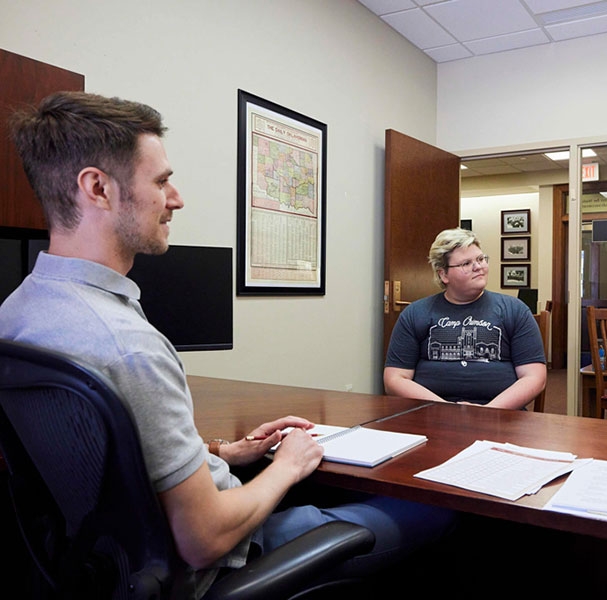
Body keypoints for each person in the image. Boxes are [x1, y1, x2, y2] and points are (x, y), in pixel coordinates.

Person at [0, 91, 454, 598]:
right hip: (218, 563)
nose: (177, 198)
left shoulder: (17, 311)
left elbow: (99, 459)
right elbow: (204, 538)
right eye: (162, 180)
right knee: (435, 507)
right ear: (98, 188)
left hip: (99, 563)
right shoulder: (129, 347)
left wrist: (220, 452)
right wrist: (286, 466)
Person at [384, 228, 546, 409]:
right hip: (430, 414)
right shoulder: (415, 313)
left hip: (501, 416)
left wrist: (487, 412)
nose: (478, 267)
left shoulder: (515, 310)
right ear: (443, 274)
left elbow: (534, 377)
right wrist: (446, 409)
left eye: (480, 259)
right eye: (466, 263)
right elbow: (394, 379)